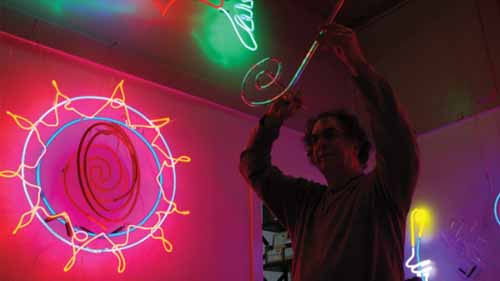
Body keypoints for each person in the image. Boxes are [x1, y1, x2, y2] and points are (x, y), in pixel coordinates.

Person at [239, 23, 420, 281]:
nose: (320, 144)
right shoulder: (306, 203)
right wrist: (271, 121)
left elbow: (394, 131)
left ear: (356, 143)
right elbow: (253, 167)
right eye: (313, 140)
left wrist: (358, 65)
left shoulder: (382, 190)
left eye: (329, 134)